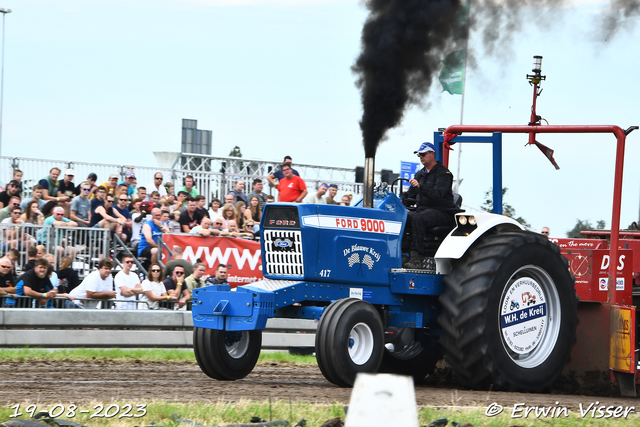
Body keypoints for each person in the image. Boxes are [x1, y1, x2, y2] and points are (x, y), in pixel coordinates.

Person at [403, 142, 455, 269]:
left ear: (433, 154)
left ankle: (416, 258)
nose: (421, 157)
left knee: (418, 218)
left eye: (423, 154)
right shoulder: (419, 174)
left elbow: (437, 195)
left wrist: (420, 186)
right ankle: (404, 253)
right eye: (419, 155)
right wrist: (401, 200)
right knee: (403, 217)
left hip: (442, 212)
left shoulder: (444, 174)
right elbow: (411, 196)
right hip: (423, 210)